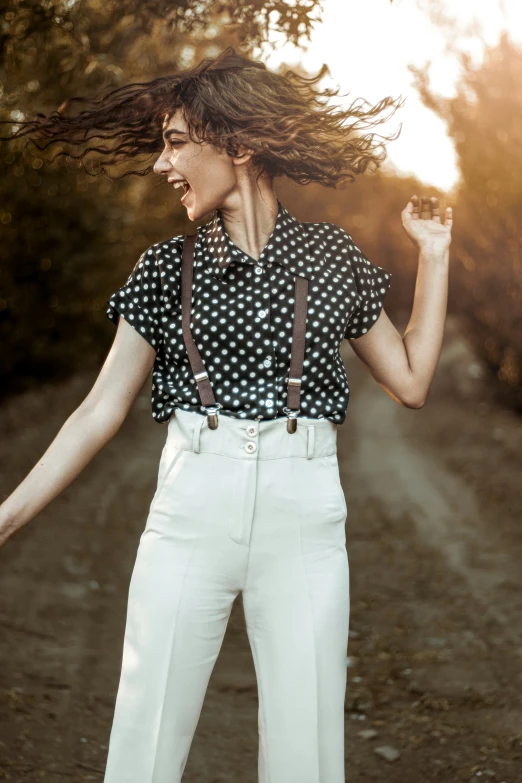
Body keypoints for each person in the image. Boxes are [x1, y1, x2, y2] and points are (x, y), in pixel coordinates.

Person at [0, 46, 452, 783]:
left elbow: (410, 380)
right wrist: (6, 517)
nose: (160, 163)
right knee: (142, 747)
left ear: (239, 143)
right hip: (190, 511)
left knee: (306, 759)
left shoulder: (330, 258)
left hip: (305, 517)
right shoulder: (160, 272)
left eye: (176, 142)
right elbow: (96, 412)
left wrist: (434, 255)